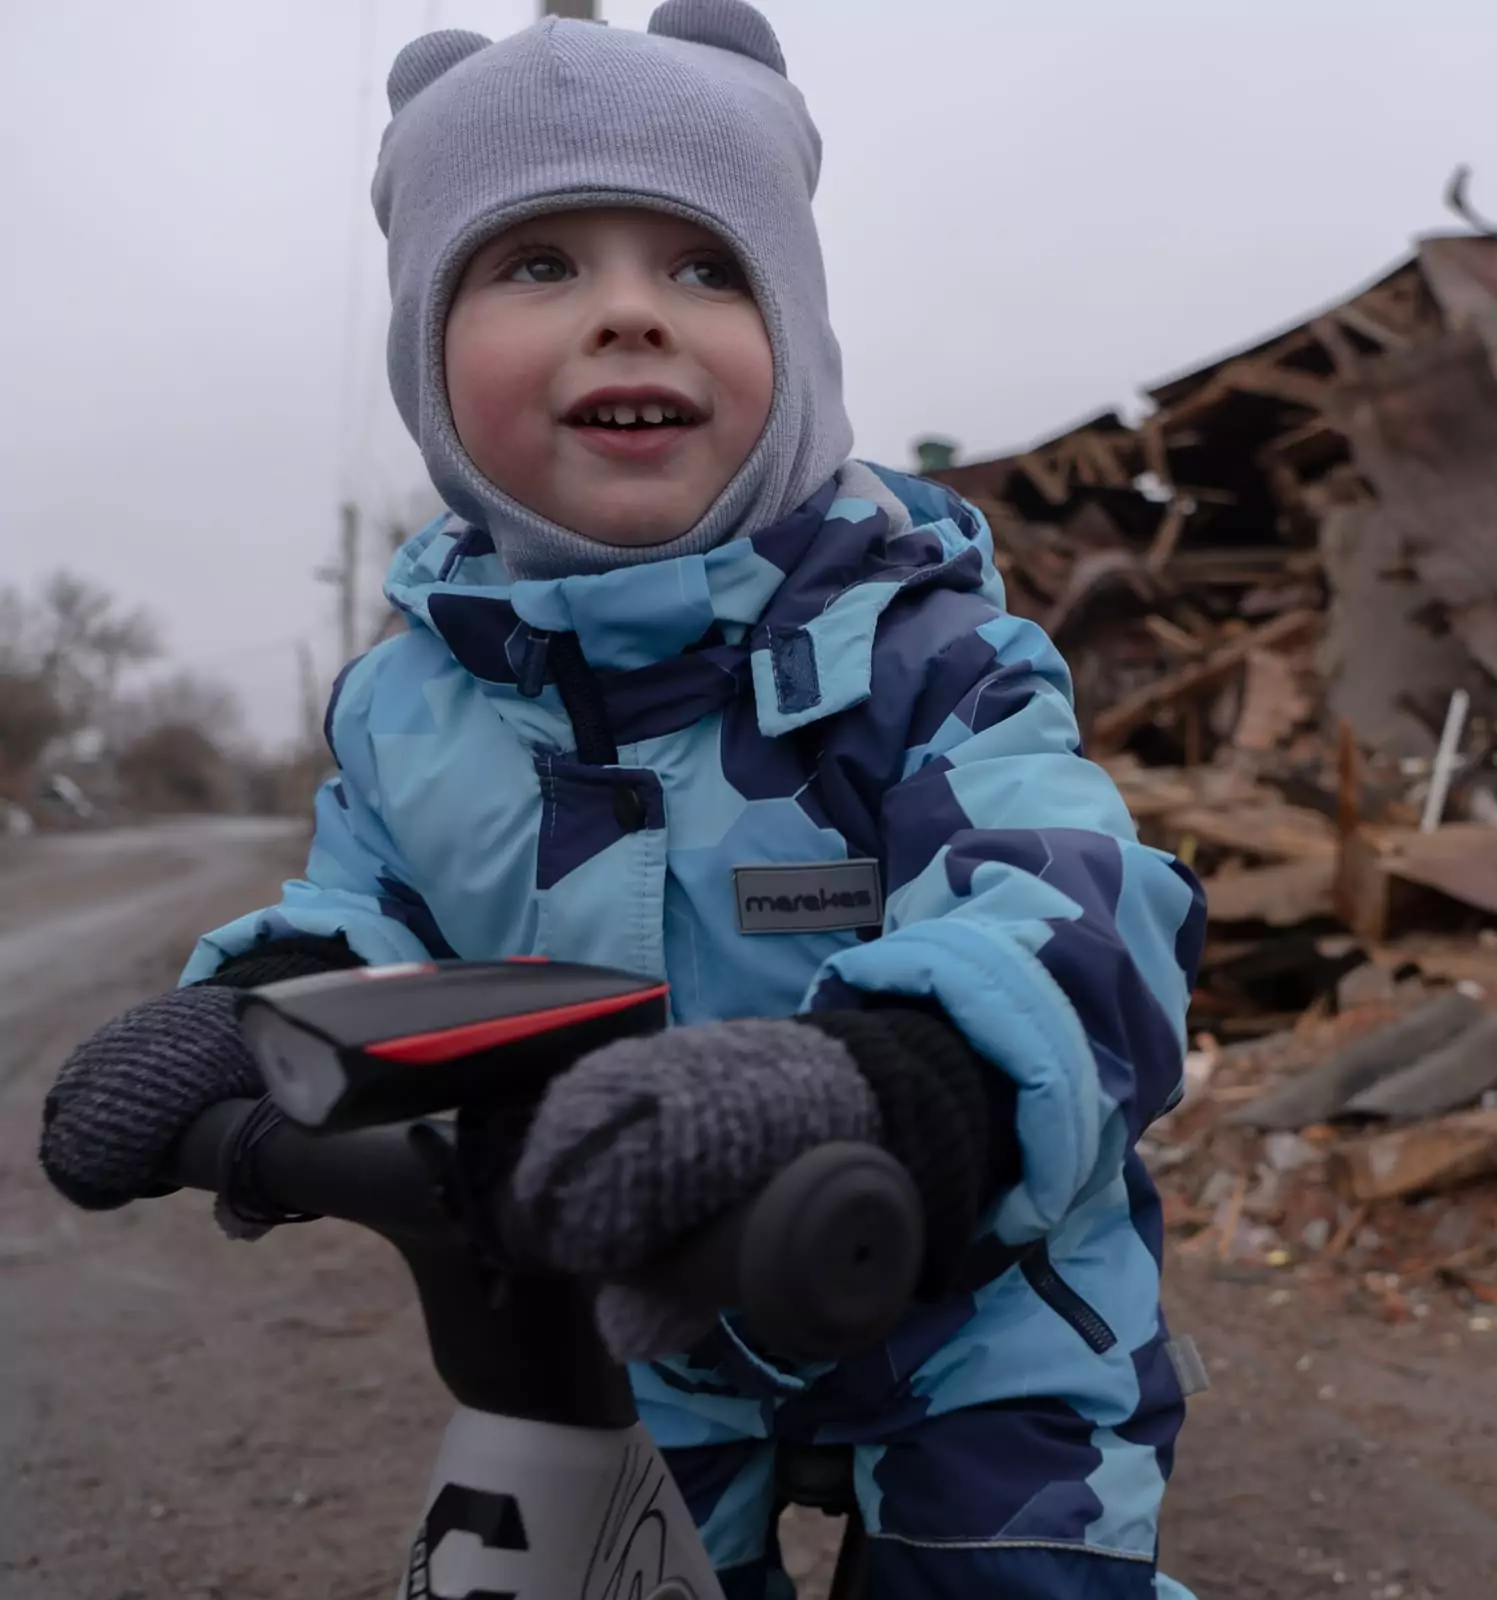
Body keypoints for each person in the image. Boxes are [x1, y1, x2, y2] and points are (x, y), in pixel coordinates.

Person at [34, 4, 1204, 1595]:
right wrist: (244, 1016)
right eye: (538, 265)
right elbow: (369, 920)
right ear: (428, 361)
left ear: (795, 337)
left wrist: (895, 1086)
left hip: (975, 1309)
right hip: (631, 1317)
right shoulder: (407, 709)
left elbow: (1079, 920)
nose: (631, 316)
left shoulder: (935, 657)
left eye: (706, 267)